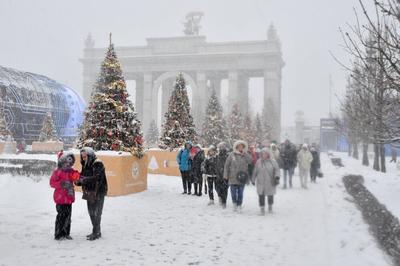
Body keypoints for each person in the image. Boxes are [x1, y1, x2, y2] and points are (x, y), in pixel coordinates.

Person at [75, 147, 108, 241]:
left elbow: (97, 178)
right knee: (91, 212)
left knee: (97, 213)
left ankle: (96, 232)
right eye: (82, 157)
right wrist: (78, 181)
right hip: (89, 191)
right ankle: (96, 231)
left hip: (98, 191)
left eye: (85, 156)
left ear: (90, 155)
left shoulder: (98, 163)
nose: (83, 158)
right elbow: (84, 175)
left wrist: (83, 180)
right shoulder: (86, 164)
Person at [50, 151, 80, 240]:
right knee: (60, 216)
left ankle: (66, 233)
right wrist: (61, 184)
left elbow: (76, 178)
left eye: (70, 162)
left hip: (69, 197)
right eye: (66, 162)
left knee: (68, 216)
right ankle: (58, 234)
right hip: (60, 198)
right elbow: (52, 183)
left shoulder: (71, 171)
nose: (68, 164)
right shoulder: (57, 172)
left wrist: (77, 176)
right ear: (61, 161)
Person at [223, 140, 253, 212]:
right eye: (239, 146)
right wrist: (225, 175)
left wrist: (245, 154)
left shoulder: (245, 155)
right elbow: (227, 165)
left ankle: (239, 204)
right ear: (236, 147)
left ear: (243, 147)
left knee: (240, 193)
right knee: (233, 192)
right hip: (232, 177)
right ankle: (234, 204)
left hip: (242, 177)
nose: (240, 148)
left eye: (241, 146)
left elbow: (250, 161)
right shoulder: (231, 155)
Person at [251, 148, 280, 215]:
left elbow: (277, 170)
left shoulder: (273, 162)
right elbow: (255, 171)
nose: (264, 155)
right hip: (260, 182)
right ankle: (262, 208)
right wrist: (253, 179)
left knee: (270, 195)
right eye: (262, 153)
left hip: (270, 182)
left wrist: (277, 176)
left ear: (268, 154)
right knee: (261, 195)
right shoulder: (258, 161)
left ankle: (270, 206)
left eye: (265, 153)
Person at [215, 142, 230, 209]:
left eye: (223, 147)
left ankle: (224, 202)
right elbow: (215, 164)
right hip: (218, 175)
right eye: (220, 147)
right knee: (217, 188)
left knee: (225, 189)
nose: (221, 148)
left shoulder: (228, 155)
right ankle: (220, 196)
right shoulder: (217, 155)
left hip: (226, 175)